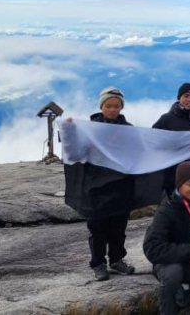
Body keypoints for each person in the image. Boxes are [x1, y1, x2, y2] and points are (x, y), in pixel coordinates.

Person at [75, 87, 137, 281]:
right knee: (98, 227)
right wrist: (68, 128)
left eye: (116, 106)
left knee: (118, 227)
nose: (112, 109)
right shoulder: (90, 129)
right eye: (108, 106)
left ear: (121, 107)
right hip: (97, 187)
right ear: (101, 106)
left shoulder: (128, 129)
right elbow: (73, 145)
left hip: (121, 186)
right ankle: (98, 263)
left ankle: (117, 260)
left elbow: (140, 151)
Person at [143, 161, 190, 315]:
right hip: (168, 262)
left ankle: (186, 295)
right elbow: (152, 248)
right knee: (173, 274)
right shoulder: (167, 209)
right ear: (179, 185)